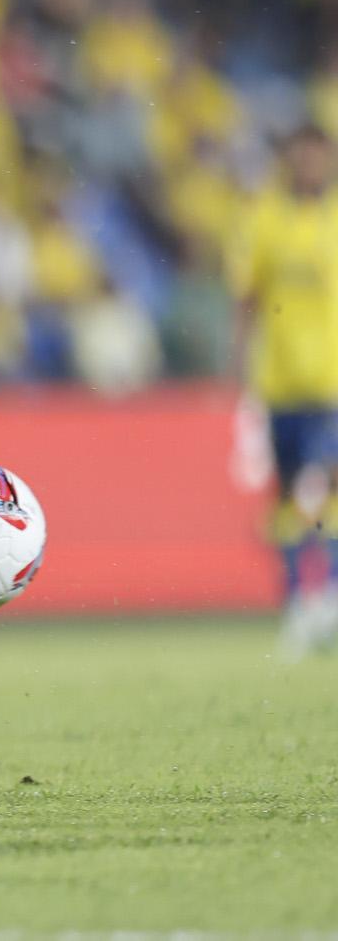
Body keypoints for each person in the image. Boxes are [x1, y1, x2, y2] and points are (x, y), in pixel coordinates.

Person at [230, 121, 338, 660]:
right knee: (287, 496)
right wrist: (238, 362)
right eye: (301, 156)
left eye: (317, 157)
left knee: (323, 485)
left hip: (331, 381)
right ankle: (300, 603)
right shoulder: (265, 218)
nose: (309, 166)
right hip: (278, 382)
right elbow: (247, 296)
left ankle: (330, 596)